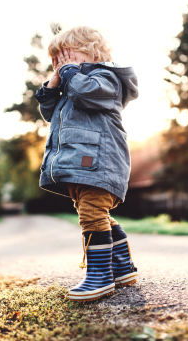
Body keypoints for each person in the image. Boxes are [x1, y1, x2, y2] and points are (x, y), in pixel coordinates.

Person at [34, 26, 139, 302]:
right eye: (56, 59)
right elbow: (49, 113)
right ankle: (121, 267)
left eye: (67, 55)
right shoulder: (70, 84)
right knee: (95, 212)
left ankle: (100, 277)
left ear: (93, 52)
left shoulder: (106, 78)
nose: (61, 63)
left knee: (92, 214)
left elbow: (85, 93)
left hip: (100, 162)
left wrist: (69, 74)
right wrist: (54, 84)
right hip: (79, 165)